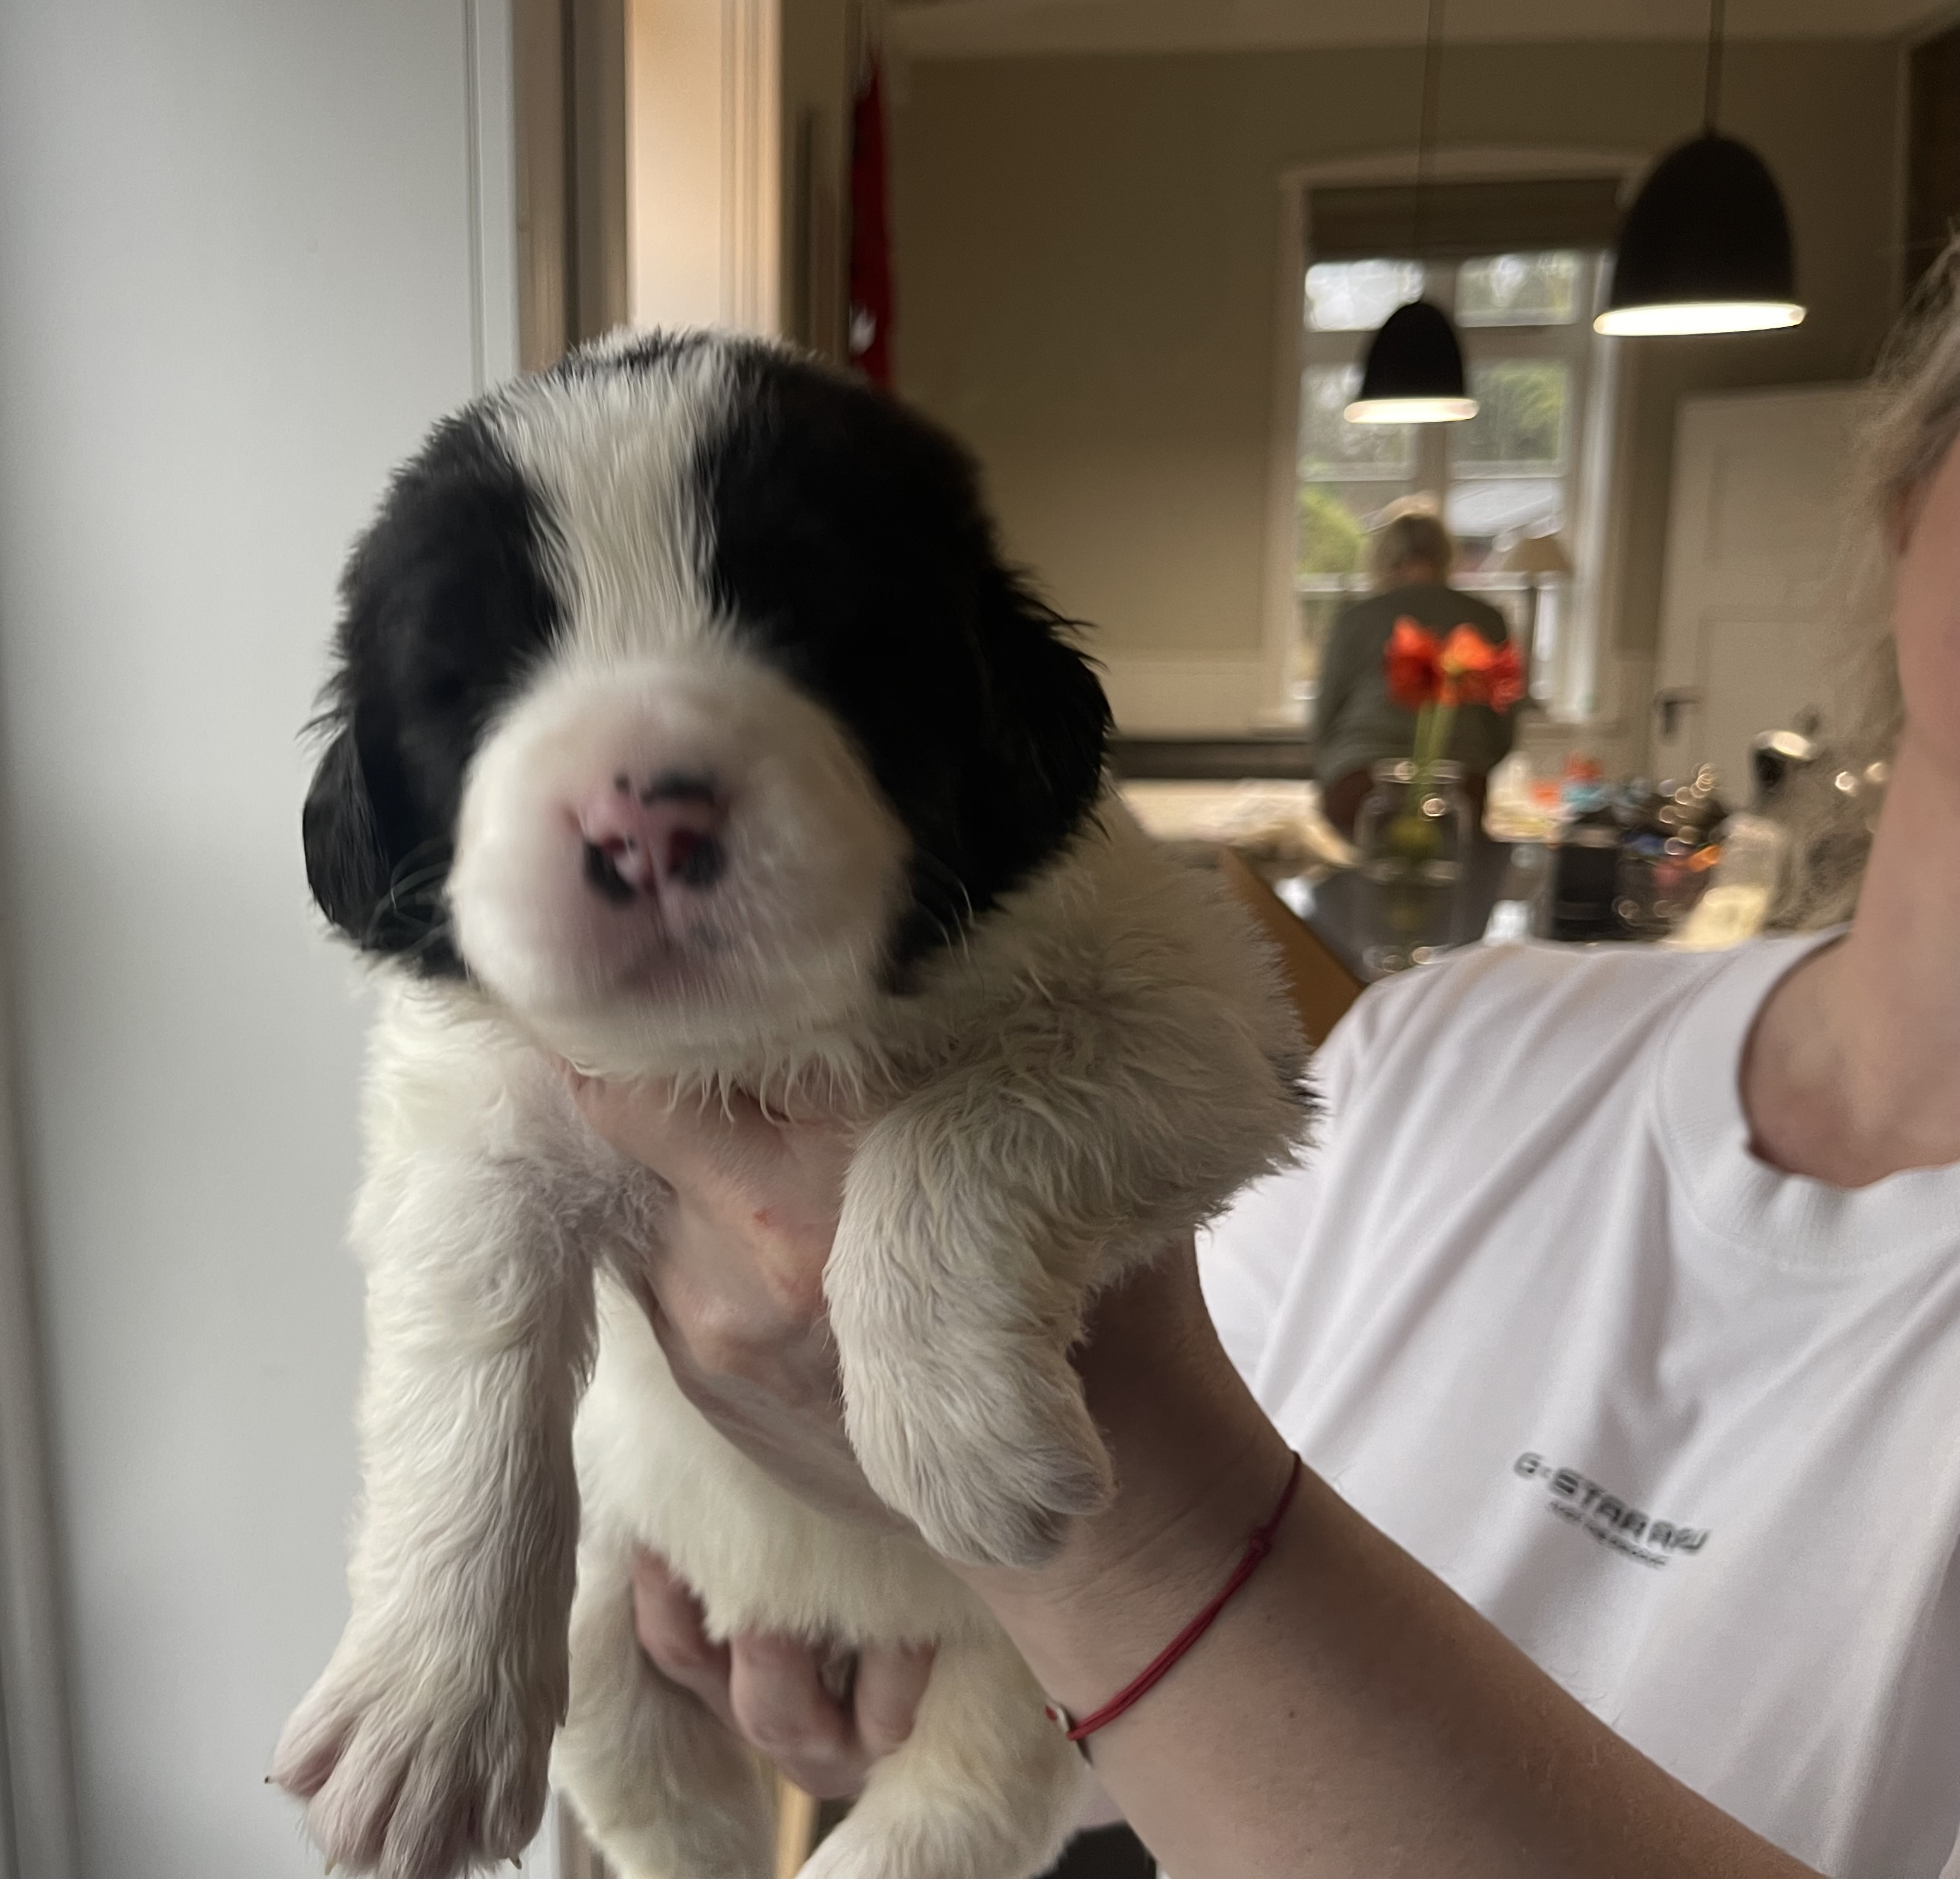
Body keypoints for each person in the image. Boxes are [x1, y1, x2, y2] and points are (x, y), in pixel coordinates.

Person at [562, 271, 1960, 1877]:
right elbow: (1082, 1729)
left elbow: (1090, 1520)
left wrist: (1105, 1559)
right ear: (1912, 491)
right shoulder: (1448, 1042)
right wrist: (916, 1655)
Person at [1309, 502, 1523, 840]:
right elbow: (1504, 723)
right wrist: (1476, 765)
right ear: (1446, 555)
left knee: (1353, 864)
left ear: (1382, 557)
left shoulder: (1356, 617)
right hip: (1460, 784)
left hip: (1358, 779)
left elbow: (1324, 715)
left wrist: (1329, 772)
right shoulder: (1487, 618)